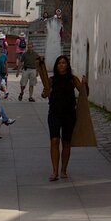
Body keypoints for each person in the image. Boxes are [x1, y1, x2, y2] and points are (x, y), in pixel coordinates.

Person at [42, 53, 84, 182]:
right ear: (56, 65)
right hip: (54, 113)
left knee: (66, 142)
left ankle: (64, 169)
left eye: (64, 63)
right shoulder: (51, 80)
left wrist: (85, 84)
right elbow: (44, 94)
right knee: (54, 141)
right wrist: (46, 92)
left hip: (69, 114)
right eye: (59, 63)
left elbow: (84, 93)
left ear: (67, 65)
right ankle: (55, 171)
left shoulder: (73, 79)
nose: (61, 65)